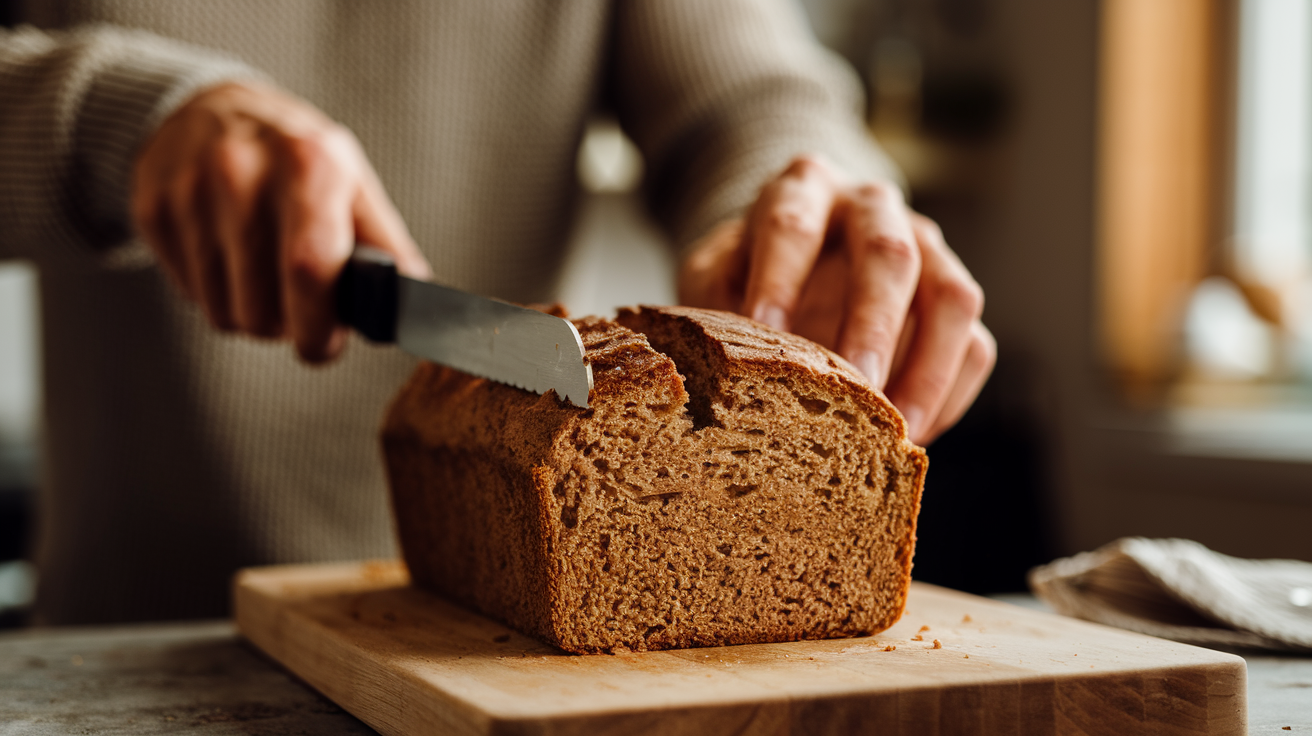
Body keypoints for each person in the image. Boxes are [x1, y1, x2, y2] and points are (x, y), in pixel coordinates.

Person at [0, 0, 993, 624]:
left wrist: (807, 200)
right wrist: (107, 114)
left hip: (495, 676)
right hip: (127, 641)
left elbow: (750, 92)